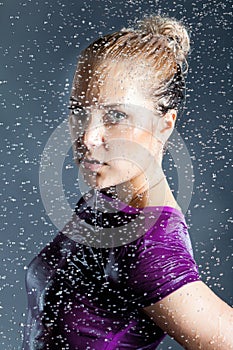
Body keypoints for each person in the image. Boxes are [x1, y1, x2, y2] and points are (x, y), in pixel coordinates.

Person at [22, 14, 233, 349]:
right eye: (79, 111)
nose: (88, 136)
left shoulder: (150, 246)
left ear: (165, 125)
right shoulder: (105, 196)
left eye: (116, 115)